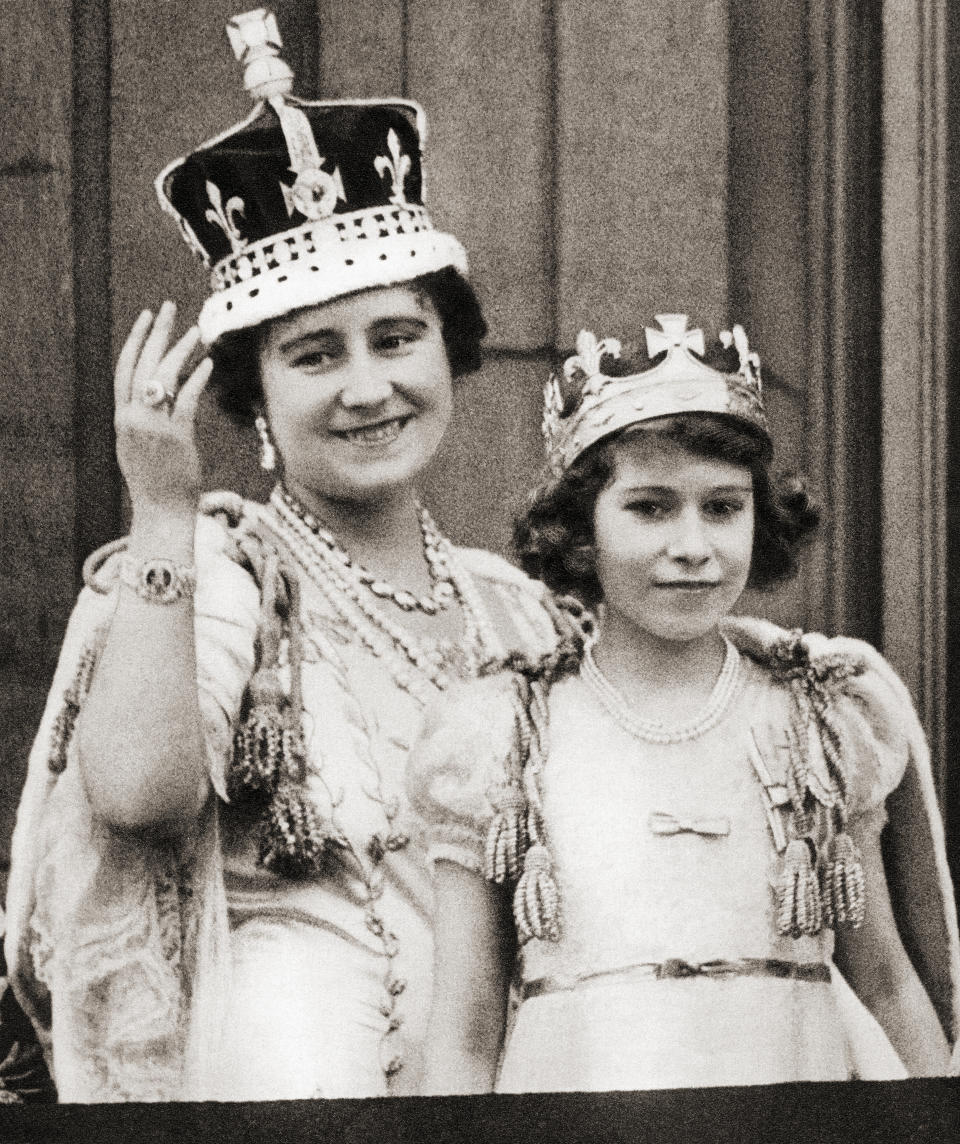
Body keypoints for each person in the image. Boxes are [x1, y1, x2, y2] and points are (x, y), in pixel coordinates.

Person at [2, 10, 568, 1102]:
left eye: (398, 339)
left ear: (449, 352)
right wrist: (163, 515)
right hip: (292, 1080)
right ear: (255, 398)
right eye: (316, 354)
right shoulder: (222, 577)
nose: (369, 387)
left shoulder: (518, 611)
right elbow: (135, 797)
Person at [409, 316, 960, 1092]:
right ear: (579, 529)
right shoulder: (503, 734)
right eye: (651, 507)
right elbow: (466, 1032)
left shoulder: (818, 716)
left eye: (723, 507)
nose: (693, 544)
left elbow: (886, 982)